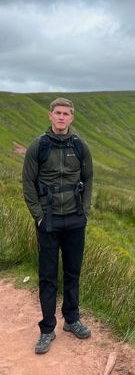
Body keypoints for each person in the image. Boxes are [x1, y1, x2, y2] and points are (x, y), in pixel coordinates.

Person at [22, 97, 93, 354]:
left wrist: (84, 211)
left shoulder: (80, 146)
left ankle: (71, 320)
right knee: (48, 276)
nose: (62, 117)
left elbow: (89, 178)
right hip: (48, 220)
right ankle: (47, 329)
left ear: (72, 118)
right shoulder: (38, 146)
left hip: (75, 219)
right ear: (50, 116)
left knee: (73, 272)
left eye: (66, 113)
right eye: (58, 113)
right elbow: (28, 183)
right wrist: (38, 215)